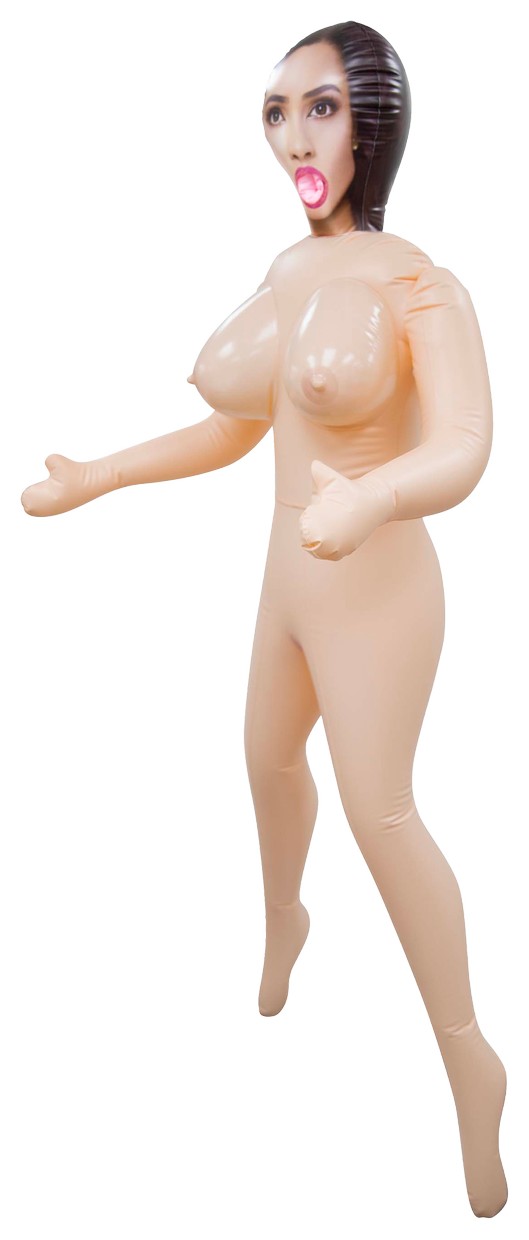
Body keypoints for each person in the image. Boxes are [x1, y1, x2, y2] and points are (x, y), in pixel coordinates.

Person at [20, 20, 508, 1219]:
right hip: (288, 581)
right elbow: (235, 426)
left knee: (380, 814)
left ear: (373, 122)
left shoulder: (420, 281)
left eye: (320, 107)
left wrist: (372, 498)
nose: (294, 135)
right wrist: (102, 475)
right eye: (277, 112)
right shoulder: (287, 273)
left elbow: (465, 443)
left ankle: (469, 1061)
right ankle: (287, 918)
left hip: (377, 588)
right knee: (261, 757)